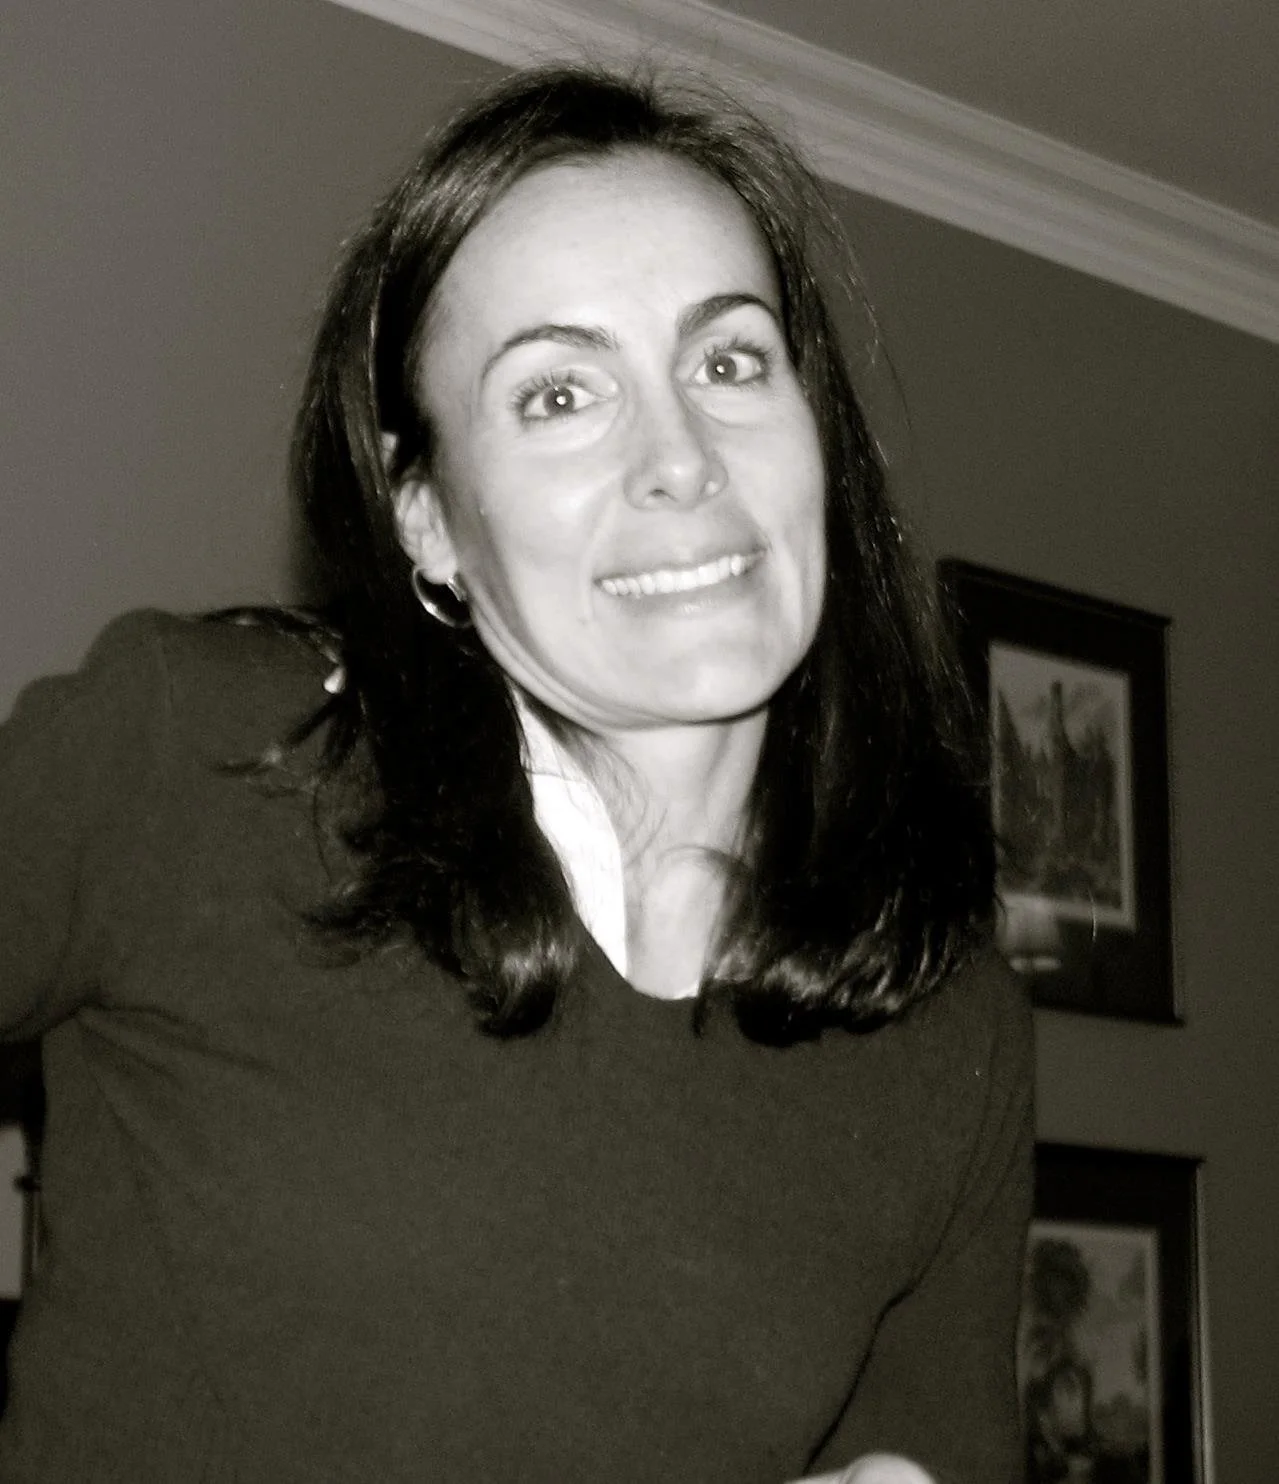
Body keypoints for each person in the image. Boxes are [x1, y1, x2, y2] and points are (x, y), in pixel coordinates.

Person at [0, 64, 1032, 1482]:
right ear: (425, 516)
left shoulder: (944, 1018)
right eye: (557, 394)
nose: (679, 458)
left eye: (728, 362)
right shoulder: (196, 756)